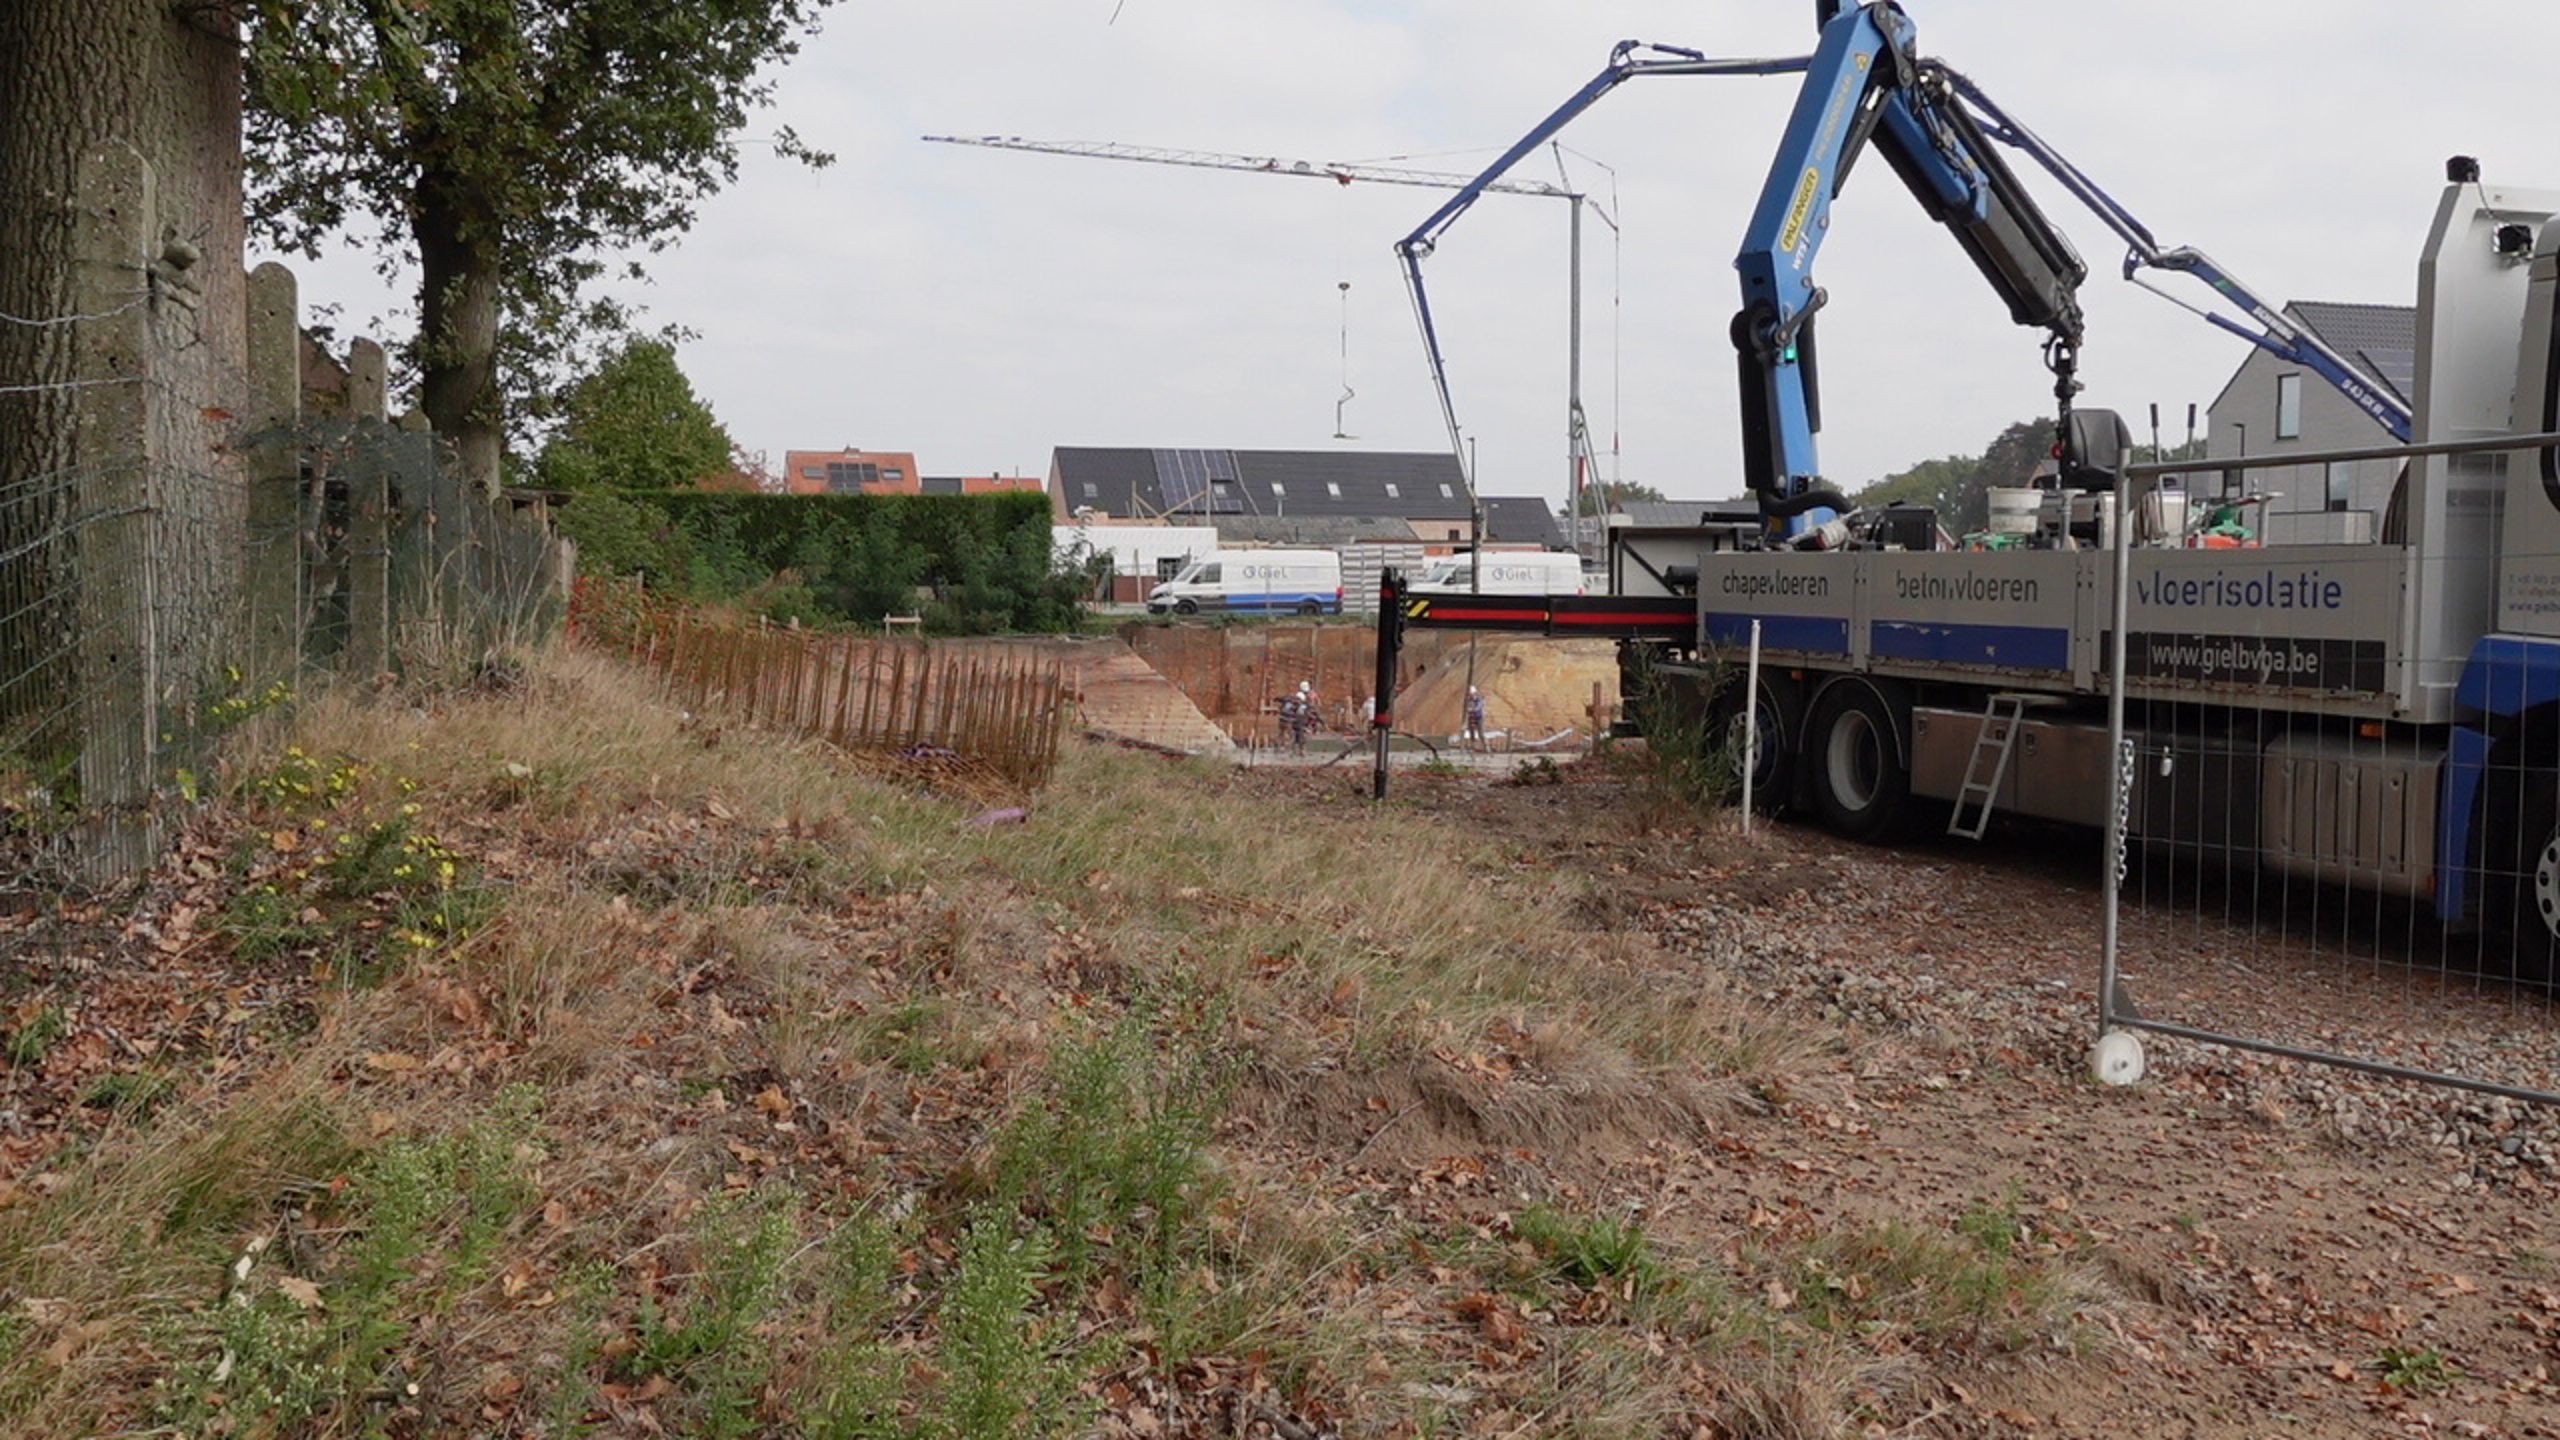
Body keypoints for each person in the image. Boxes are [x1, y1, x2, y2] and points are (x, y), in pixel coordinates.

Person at [1464, 685, 1489, 751]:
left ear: (1474, 693)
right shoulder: (1469, 700)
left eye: (1471, 694)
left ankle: (1486, 746)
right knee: (1471, 732)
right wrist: (1468, 709)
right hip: (1472, 717)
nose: (1470, 695)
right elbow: (1467, 707)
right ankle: (1473, 746)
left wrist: (1471, 709)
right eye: (1470, 694)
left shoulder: (1479, 700)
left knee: (1480, 733)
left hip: (1479, 717)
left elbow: (1478, 707)